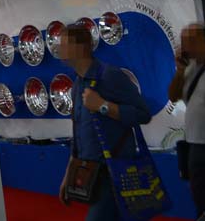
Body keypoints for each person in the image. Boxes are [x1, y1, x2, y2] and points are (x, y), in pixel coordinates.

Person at [57, 23, 151, 220]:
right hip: (93, 175)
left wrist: (103, 106)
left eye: (63, 44)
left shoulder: (110, 76)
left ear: (80, 47)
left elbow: (143, 114)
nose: (58, 49)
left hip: (115, 173)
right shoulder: (77, 86)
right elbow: (78, 134)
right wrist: (68, 175)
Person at [168, 23, 205, 219]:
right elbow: (173, 96)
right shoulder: (190, 69)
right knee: (199, 192)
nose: (185, 46)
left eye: (190, 41)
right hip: (194, 143)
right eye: (183, 41)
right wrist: (179, 71)